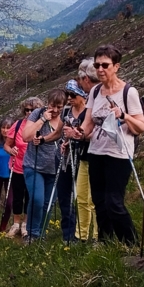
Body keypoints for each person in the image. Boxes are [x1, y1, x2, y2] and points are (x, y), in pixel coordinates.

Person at [75, 45, 144, 243]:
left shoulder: (128, 92)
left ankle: (130, 242)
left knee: (113, 202)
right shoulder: (95, 91)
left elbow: (141, 126)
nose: (100, 69)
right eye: (97, 65)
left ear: (116, 66)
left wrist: (124, 116)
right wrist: (78, 133)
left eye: (105, 65)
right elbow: (88, 123)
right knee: (99, 201)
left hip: (119, 153)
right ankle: (106, 242)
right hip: (96, 152)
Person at [20, 89, 66, 239]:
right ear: (47, 103)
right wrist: (42, 120)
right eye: (53, 106)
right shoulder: (37, 113)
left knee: (48, 203)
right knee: (37, 199)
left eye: (59, 107)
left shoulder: (66, 117)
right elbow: (26, 136)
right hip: (34, 165)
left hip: (55, 168)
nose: (56, 110)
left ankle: (41, 234)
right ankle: (32, 233)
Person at [5, 97, 41, 238]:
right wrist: (11, 150)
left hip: (34, 166)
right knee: (17, 196)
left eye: (32, 110)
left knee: (30, 196)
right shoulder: (18, 124)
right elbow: (7, 145)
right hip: (18, 166)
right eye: (26, 110)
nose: (29, 112)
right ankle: (16, 224)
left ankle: (26, 224)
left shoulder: (42, 125)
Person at [56, 79, 86, 243]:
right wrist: (42, 139)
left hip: (83, 157)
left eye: (73, 95)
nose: (69, 98)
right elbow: (57, 133)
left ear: (82, 95)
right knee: (64, 196)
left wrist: (74, 135)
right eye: (67, 94)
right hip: (65, 159)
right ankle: (68, 234)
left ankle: (83, 233)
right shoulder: (66, 111)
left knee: (81, 196)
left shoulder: (88, 111)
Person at [73, 59, 99, 240]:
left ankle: (98, 236)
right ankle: (81, 235)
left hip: (97, 154)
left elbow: (100, 131)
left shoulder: (98, 97)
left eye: (80, 80)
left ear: (86, 79)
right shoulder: (91, 98)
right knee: (82, 197)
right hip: (84, 154)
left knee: (95, 199)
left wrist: (79, 134)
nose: (80, 84)